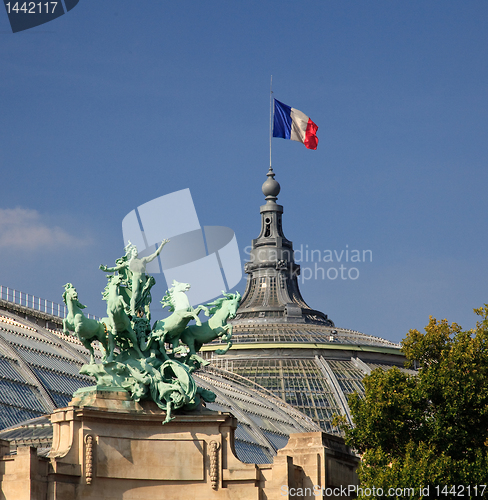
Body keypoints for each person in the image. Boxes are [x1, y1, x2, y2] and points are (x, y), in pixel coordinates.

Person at [100, 239, 169, 317]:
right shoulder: (128, 263)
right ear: (131, 252)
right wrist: (105, 269)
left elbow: (155, 254)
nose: (136, 252)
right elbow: (115, 269)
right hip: (135, 279)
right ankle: (132, 311)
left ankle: (140, 310)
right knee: (135, 295)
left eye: (136, 250)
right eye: (134, 250)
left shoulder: (143, 260)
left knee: (143, 296)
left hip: (143, 279)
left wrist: (162, 245)